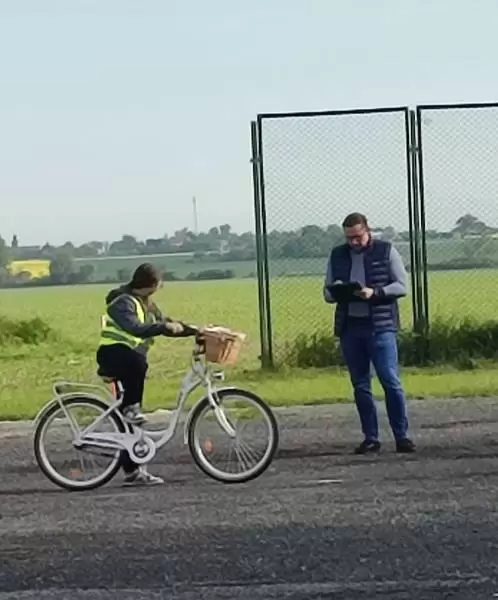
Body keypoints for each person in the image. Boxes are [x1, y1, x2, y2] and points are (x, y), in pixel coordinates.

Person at [97, 262, 198, 485]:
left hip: (126, 358)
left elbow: (165, 323)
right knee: (138, 366)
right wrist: (162, 328)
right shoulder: (123, 302)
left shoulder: (146, 304)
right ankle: (131, 411)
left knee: (131, 421)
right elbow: (134, 327)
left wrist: (195, 330)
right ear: (152, 284)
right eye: (160, 283)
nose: (161, 287)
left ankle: (133, 471)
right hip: (114, 355)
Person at [323, 212, 415, 455]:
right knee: (361, 385)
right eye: (349, 238)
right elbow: (327, 292)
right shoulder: (337, 255)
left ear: (368, 231)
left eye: (358, 237)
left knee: (390, 381)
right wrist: (338, 291)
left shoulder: (386, 251)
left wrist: (375, 293)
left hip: (380, 327)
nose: (353, 242)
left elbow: (401, 286)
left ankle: (402, 436)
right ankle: (371, 438)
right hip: (350, 328)